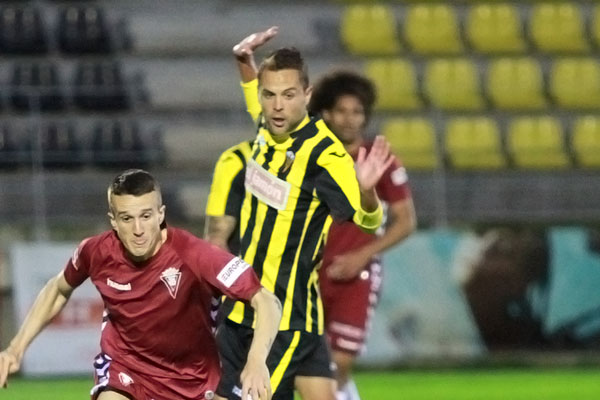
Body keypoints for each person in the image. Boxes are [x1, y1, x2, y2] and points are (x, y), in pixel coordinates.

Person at [210, 27, 394, 400]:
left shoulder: (325, 156)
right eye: (270, 95)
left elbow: (369, 220)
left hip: (284, 319)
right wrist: (243, 61)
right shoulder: (267, 125)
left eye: (289, 95)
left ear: (307, 96)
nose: (278, 105)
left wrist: (368, 190)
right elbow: (252, 93)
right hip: (240, 310)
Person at [0, 169, 282, 400]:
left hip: (191, 383)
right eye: (127, 218)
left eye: (146, 216)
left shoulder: (195, 255)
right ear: (113, 221)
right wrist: (15, 348)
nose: (137, 230)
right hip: (126, 372)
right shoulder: (96, 252)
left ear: (160, 214)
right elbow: (58, 289)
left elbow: (267, 300)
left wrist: (256, 360)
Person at [309, 71, 416, 400]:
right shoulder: (313, 157)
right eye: (342, 111)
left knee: (338, 363)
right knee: (304, 364)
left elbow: (406, 220)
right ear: (326, 113)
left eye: (356, 112)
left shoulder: (379, 160)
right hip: (309, 272)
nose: (350, 119)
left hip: (357, 274)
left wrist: (363, 254)